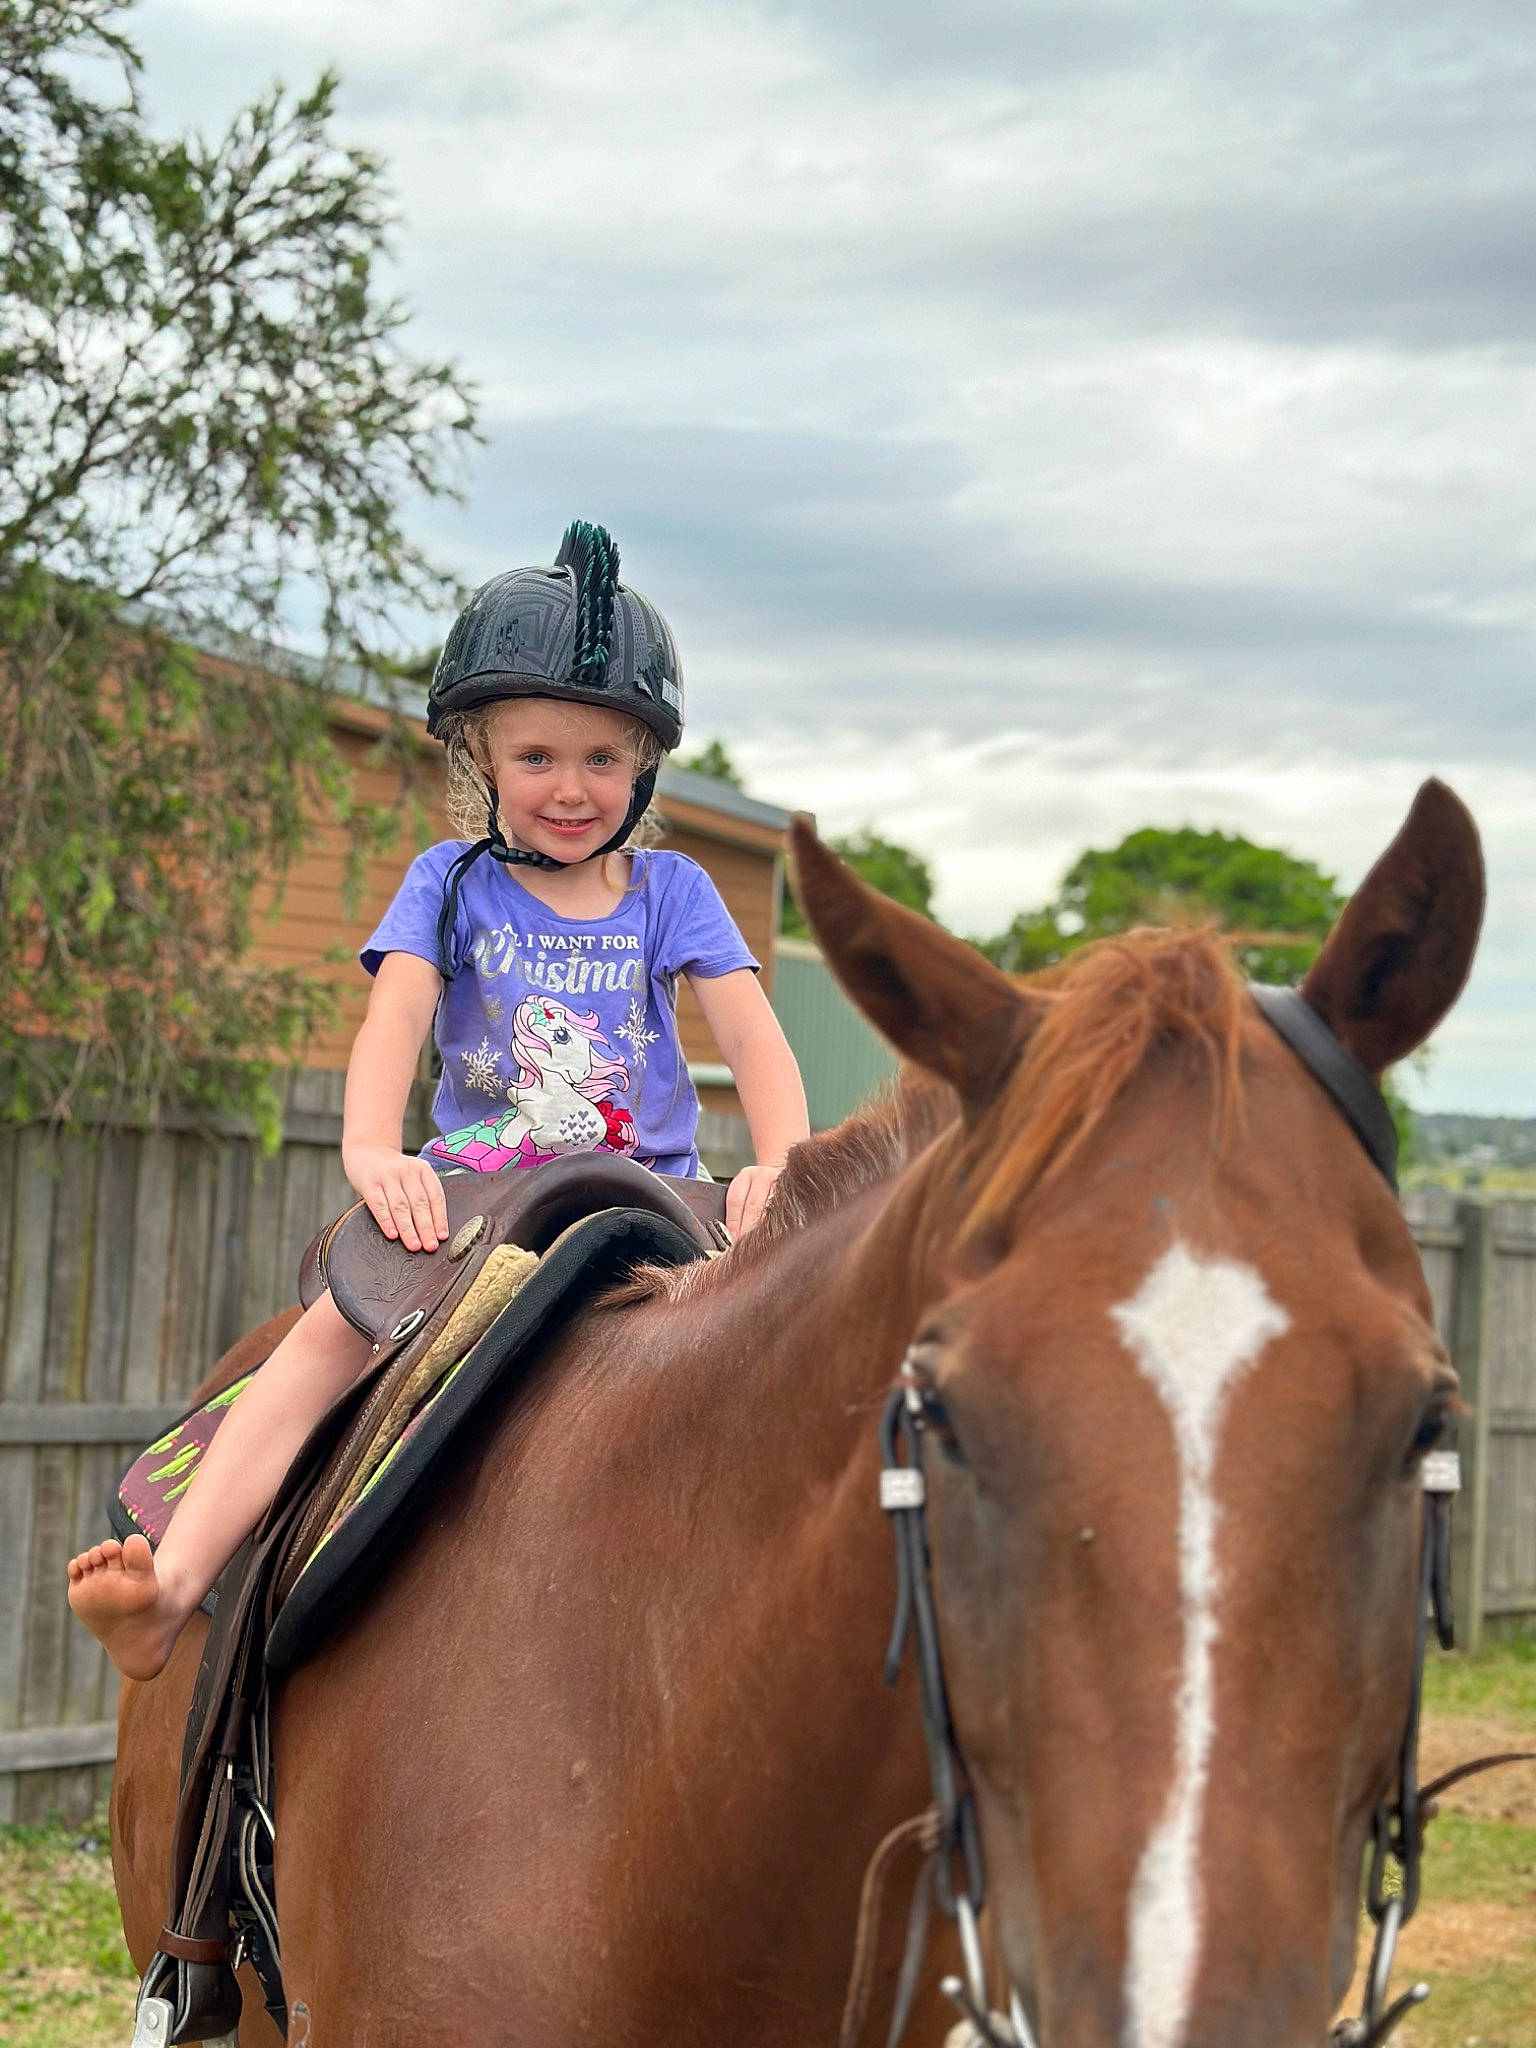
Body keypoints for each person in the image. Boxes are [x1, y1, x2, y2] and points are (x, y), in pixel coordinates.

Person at [67, 520, 809, 1681]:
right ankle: (174, 1586)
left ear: (645, 768)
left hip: (651, 1188)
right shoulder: (445, 883)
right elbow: (395, 1019)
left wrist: (781, 1161)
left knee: (797, 1340)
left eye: (604, 760)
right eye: (537, 757)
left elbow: (752, 1036)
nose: (571, 788)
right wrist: (373, 1150)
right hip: (479, 1186)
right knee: (328, 1336)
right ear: (481, 759)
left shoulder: (676, 889)